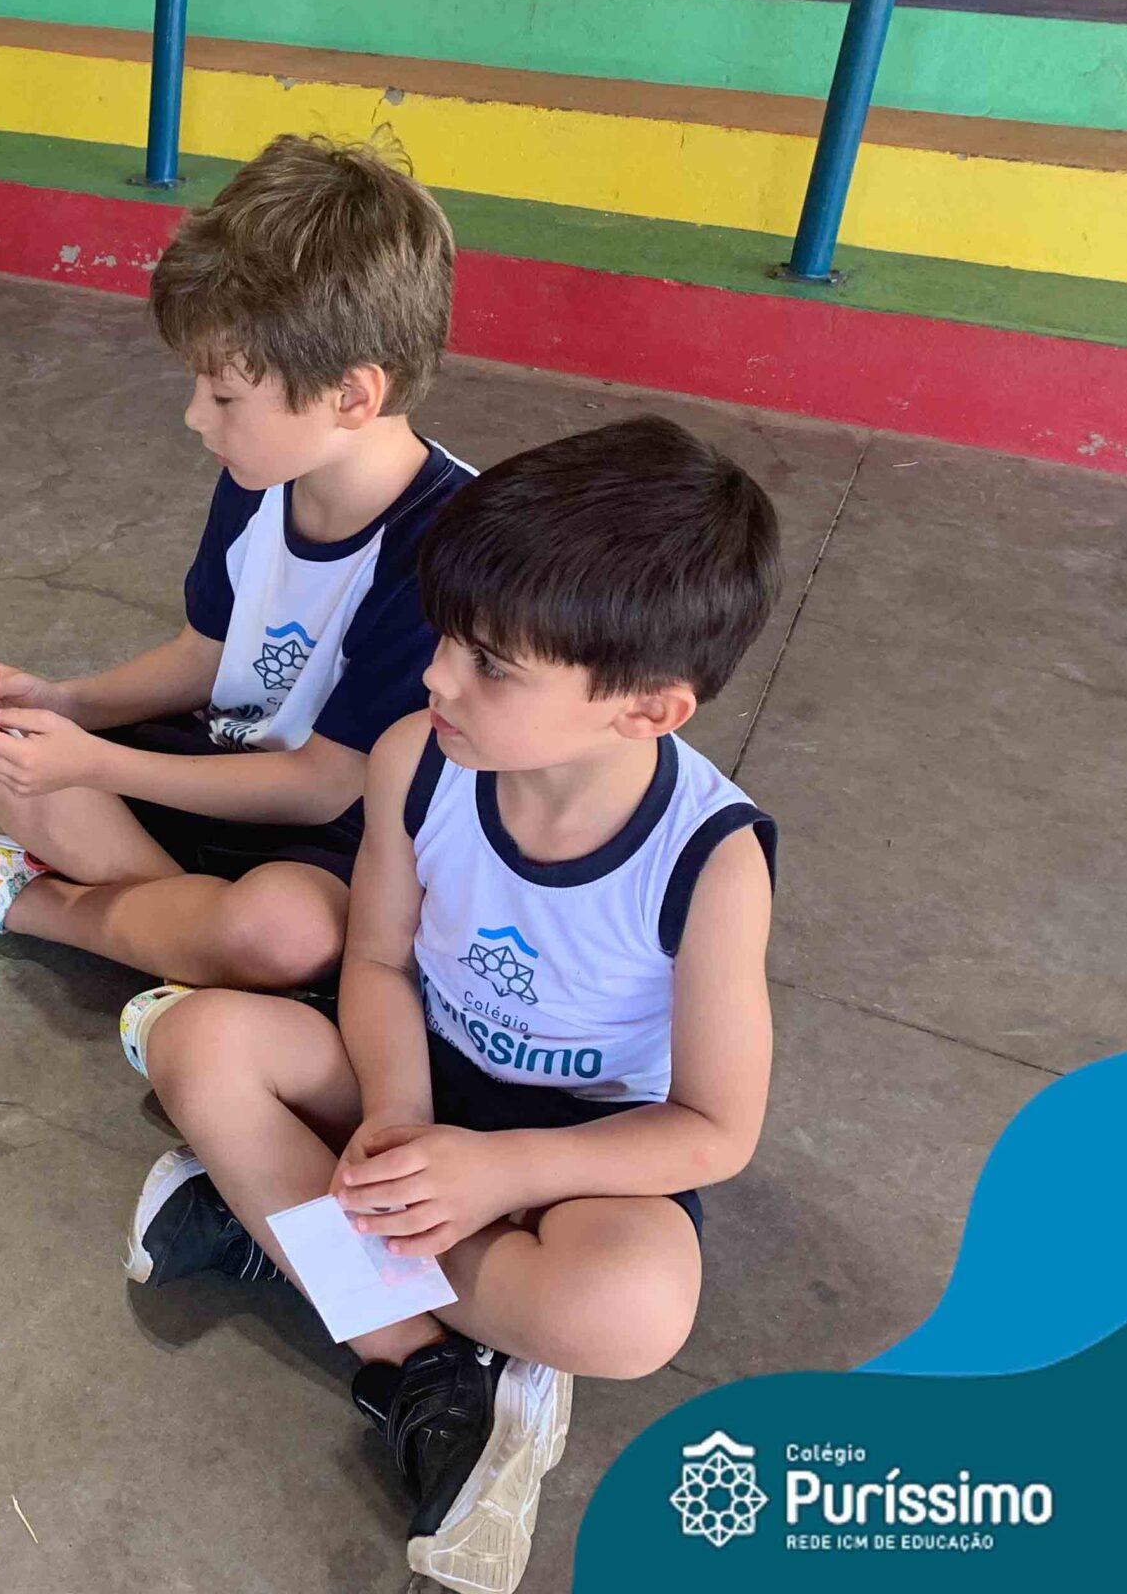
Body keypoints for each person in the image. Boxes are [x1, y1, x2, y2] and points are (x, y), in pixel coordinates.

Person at [121, 416, 781, 1594]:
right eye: (444, 638)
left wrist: (499, 1171)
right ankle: (425, 1366)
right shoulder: (413, 760)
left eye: (491, 665)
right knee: (198, 1038)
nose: (435, 676)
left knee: (627, 1314)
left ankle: (292, 1229)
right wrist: (395, 1116)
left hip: (581, 1146)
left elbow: (713, 1129)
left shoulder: (710, 861)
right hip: (414, 1072)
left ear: (647, 710)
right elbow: (376, 964)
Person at [0, 136, 469, 989]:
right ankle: (187, 933)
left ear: (352, 396)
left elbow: (323, 787)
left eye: (223, 395)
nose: (194, 416)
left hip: (341, 832)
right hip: (220, 769)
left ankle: (42, 902)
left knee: (285, 931)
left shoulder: (447, 547)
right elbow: (204, 654)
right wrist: (63, 702)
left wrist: (96, 764)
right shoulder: (264, 471)